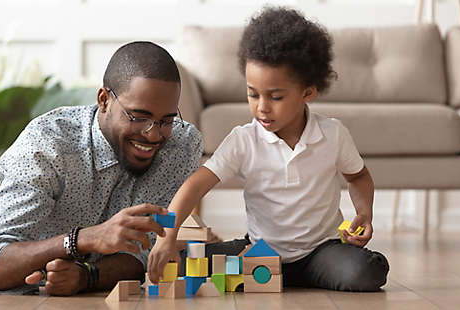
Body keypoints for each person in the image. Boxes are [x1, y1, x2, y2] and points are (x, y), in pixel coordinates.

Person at [0, 41, 203, 295]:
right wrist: (82, 239)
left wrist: (87, 276)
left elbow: (143, 252)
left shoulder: (181, 147)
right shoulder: (48, 143)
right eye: (138, 116)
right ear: (104, 100)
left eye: (165, 120)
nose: (153, 134)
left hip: (64, 257)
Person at [148, 7, 389, 292]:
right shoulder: (243, 139)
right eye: (253, 94)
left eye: (275, 97)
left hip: (322, 252)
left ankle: (282, 278)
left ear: (307, 92)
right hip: (261, 251)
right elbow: (195, 186)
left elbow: (358, 176)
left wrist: (365, 213)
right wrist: (166, 239)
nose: (262, 106)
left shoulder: (333, 134)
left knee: (367, 273)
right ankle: (267, 274)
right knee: (185, 262)